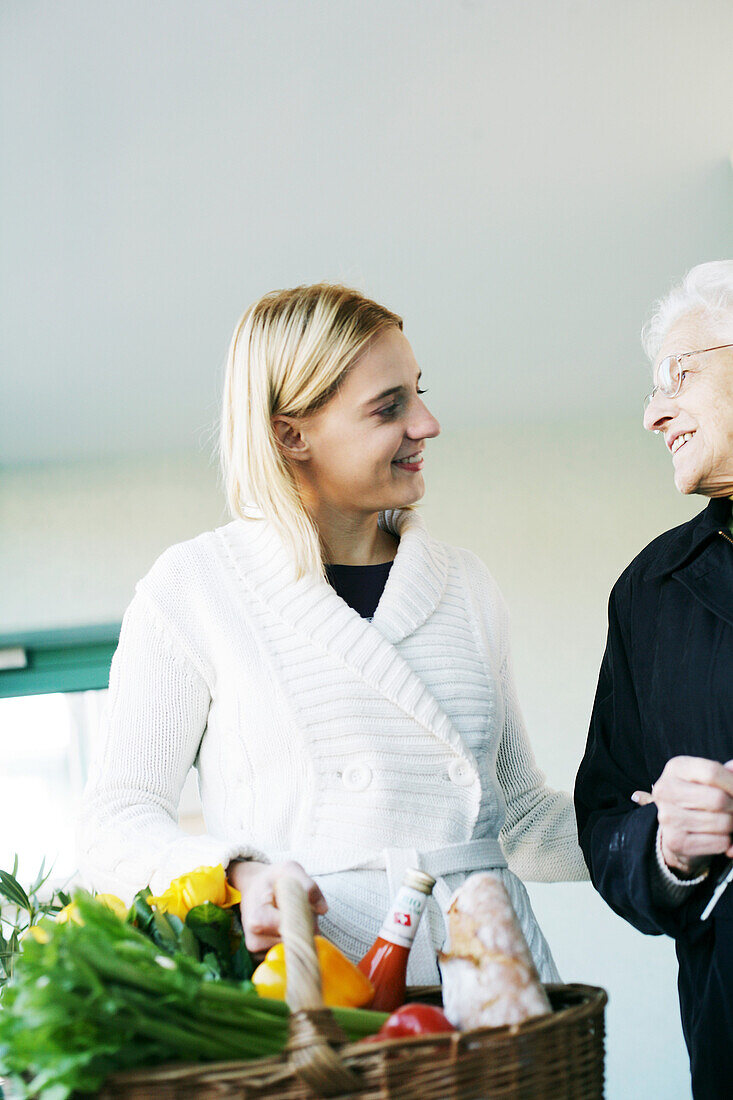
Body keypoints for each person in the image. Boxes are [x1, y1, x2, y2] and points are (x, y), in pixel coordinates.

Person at [79, 283, 587, 984]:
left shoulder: (464, 585)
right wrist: (239, 875)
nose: (427, 424)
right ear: (291, 433)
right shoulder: (194, 588)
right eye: (390, 407)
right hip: (319, 984)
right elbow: (114, 820)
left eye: (418, 392)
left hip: (495, 983)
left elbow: (521, 821)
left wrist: (662, 836)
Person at [575, 261, 733, 1100]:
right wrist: (667, 847)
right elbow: (603, 819)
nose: (651, 413)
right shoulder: (647, 594)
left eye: (679, 375)